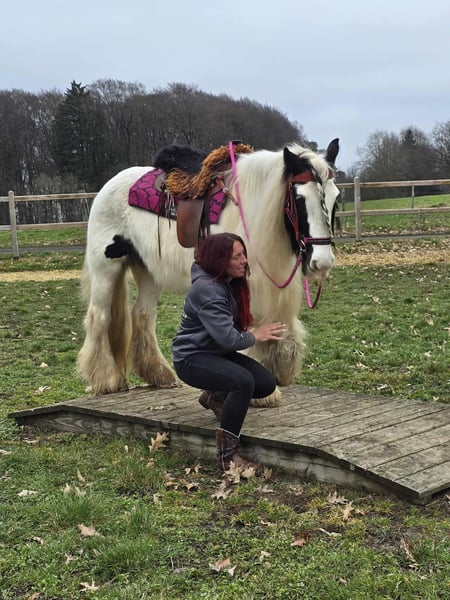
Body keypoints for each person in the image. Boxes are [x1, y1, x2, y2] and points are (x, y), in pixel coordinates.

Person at [172, 233, 286, 471]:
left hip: (215, 352)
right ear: (219, 260)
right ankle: (228, 456)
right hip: (191, 359)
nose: (244, 261)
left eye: (244, 254)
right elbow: (229, 338)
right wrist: (256, 335)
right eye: (237, 257)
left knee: (265, 384)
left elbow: (227, 335)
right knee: (242, 382)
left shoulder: (227, 282)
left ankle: (215, 396)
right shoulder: (209, 290)